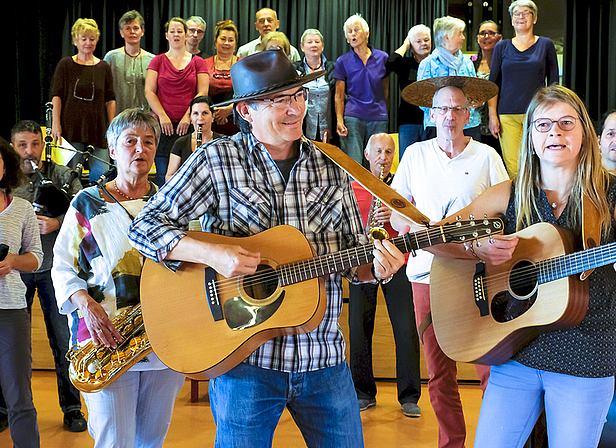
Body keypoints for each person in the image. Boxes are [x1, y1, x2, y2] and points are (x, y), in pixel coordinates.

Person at [128, 49, 405, 447]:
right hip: (245, 362)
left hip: (323, 358)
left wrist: (379, 267)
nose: (294, 109)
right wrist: (213, 254)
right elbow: (144, 227)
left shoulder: (332, 166)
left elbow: (352, 259)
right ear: (245, 110)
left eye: (298, 96)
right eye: (278, 100)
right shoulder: (216, 160)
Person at [423, 84, 616, 447]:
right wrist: (479, 250)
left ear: (585, 133)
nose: (555, 132)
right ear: (530, 136)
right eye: (543, 125)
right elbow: (434, 237)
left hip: (586, 359)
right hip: (516, 354)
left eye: (567, 123)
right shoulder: (509, 193)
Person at [52, 109, 185, 447]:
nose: (140, 149)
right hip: (105, 339)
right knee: (115, 440)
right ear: (112, 150)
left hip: (164, 341)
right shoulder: (87, 202)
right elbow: (63, 265)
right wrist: (85, 304)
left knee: (151, 439)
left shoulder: (169, 203)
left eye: (149, 141)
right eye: (130, 142)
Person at [391, 76, 508, 448]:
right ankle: (451, 443)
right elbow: (395, 214)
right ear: (431, 113)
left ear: (469, 114)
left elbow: (508, 209)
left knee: (491, 367)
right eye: (442, 108)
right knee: (440, 372)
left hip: (479, 276)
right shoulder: (414, 155)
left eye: (457, 108)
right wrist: (414, 227)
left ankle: (495, 441)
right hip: (425, 276)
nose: (449, 115)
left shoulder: (487, 156)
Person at [9, 120, 86, 432]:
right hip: (16, 271)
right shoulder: (5, 181)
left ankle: (72, 408)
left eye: (36, 144)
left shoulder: (63, 175)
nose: (31, 152)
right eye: (23, 145)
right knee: (10, 344)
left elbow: (85, 208)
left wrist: (57, 221)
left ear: (44, 144)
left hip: (55, 270)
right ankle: (5, 407)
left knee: (63, 339)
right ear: (12, 149)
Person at [349, 133, 422, 417]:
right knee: (359, 327)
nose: (384, 157)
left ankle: (409, 396)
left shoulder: (400, 188)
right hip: (362, 261)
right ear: (367, 155)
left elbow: (414, 221)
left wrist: (394, 215)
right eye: (378, 151)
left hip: (398, 262)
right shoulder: (352, 186)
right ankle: (363, 391)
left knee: (405, 329)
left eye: (389, 152)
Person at [0, 140, 44, 448]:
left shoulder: (22, 208)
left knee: (19, 396)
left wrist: (13, 261)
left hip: (11, 309)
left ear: (5, 167)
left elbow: (37, 257)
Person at [488, 0, 559, 178]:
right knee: (514, 168)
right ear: (512, 20)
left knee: (539, 163)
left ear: (534, 18)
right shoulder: (501, 46)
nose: (520, 17)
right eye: (516, 14)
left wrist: (552, 114)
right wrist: (492, 115)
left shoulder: (546, 44)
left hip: (538, 114)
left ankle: (540, 203)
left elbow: (553, 83)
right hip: (507, 116)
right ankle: (520, 204)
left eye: (525, 13)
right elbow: (493, 84)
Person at [145, 17, 209, 186]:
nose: (176, 34)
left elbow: (202, 92)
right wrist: (162, 116)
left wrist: (188, 116)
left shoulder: (198, 62)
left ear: (186, 34)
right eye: (172, 31)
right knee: (162, 175)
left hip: (188, 125)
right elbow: (149, 91)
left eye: (180, 31)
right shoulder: (157, 60)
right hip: (162, 126)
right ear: (166, 35)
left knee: (189, 174)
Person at [51, 18, 116, 183]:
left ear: (97, 41)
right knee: (70, 178)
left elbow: (110, 99)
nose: (88, 42)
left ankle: (99, 208)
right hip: (71, 129)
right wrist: (55, 123)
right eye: (83, 38)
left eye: (92, 39)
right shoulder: (66, 64)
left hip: (99, 130)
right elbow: (56, 95)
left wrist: (112, 127)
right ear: (75, 40)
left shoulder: (104, 67)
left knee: (102, 178)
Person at [334, 13, 389, 166]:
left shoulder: (383, 58)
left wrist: (384, 111)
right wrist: (339, 120)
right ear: (346, 37)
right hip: (353, 117)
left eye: (356, 30)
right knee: (353, 164)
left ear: (367, 33)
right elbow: (339, 95)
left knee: (378, 163)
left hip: (378, 117)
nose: (352, 34)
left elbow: (386, 90)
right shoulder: (342, 61)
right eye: (349, 31)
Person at [417, 16, 482, 142]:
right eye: (460, 33)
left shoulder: (467, 63)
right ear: (447, 37)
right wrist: (447, 113)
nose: (463, 37)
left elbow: (475, 91)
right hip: (438, 126)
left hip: (469, 125)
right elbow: (421, 99)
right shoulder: (428, 64)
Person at [386, 24, 432, 159]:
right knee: (407, 160)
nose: (423, 44)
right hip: (408, 121)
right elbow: (390, 62)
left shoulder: (436, 62)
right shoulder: (405, 64)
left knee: (430, 162)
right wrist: (406, 45)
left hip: (432, 120)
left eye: (426, 40)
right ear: (411, 45)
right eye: (418, 41)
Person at [104, 10, 155, 115]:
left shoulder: (152, 60)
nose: (132, 32)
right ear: (121, 33)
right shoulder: (111, 57)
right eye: (128, 28)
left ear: (142, 31)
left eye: (136, 28)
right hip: (117, 117)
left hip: (144, 119)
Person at [294, 28, 336, 143]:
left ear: (322, 46)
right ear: (302, 47)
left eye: (317, 42)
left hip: (328, 126)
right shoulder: (295, 69)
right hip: (304, 127)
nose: (314, 45)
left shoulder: (334, 68)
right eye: (309, 42)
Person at [166, 96, 221, 181]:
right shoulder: (180, 143)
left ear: (213, 116)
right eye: (195, 113)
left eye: (205, 113)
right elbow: (169, 176)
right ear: (190, 118)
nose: (200, 118)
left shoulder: (223, 142)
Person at [205, 20, 241, 135]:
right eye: (223, 39)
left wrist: (229, 110)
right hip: (209, 122)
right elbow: (199, 93)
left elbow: (249, 95)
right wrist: (213, 113)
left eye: (231, 40)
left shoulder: (243, 65)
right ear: (215, 41)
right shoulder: (203, 64)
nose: (227, 43)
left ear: (235, 44)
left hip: (237, 122)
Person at [471, 20, 502, 154]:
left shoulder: (505, 64)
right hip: (475, 124)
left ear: (499, 37)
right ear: (477, 38)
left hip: (499, 124)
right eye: (482, 33)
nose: (486, 37)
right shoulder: (471, 64)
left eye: (491, 33)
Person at [236, 8, 301, 62]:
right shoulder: (244, 51)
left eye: (270, 20)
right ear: (256, 26)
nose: (266, 24)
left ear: (277, 24)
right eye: (261, 21)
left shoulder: (292, 51)